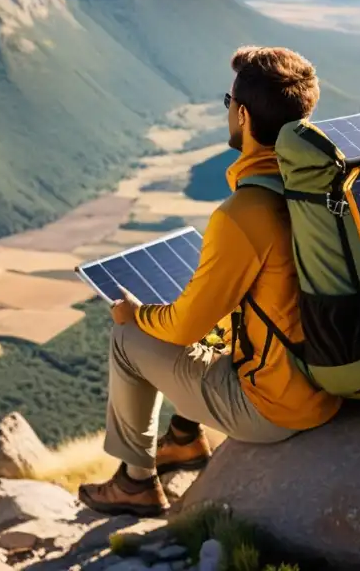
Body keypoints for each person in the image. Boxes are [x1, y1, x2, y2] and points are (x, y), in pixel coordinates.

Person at [77, 46, 343, 517]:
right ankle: (183, 439)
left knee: (126, 337)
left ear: (241, 115)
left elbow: (179, 330)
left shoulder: (244, 214)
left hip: (276, 409)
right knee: (217, 322)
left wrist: (134, 313)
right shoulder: (325, 187)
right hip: (330, 383)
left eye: (228, 104)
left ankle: (135, 484)